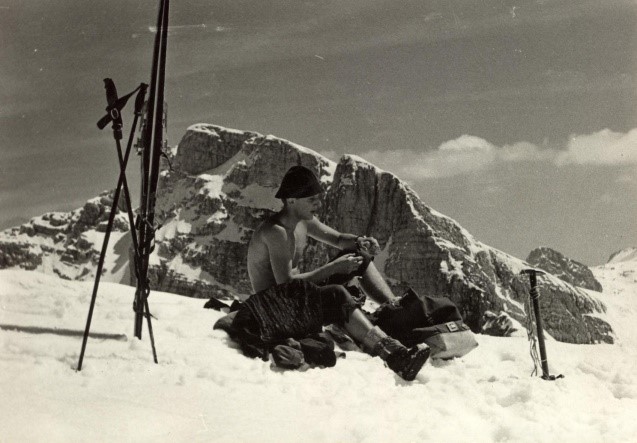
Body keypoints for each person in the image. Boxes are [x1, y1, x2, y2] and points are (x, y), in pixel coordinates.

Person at [234, 165, 430, 381]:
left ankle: (394, 309)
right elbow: (285, 284)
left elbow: (337, 239)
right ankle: (394, 355)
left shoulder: (302, 221)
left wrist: (358, 241)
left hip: (295, 297)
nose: (318, 204)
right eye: (311, 200)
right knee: (336, 294)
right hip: (272, 308)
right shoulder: (276, 232)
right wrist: (333, 269)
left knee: (358, 256)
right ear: (291, 201)